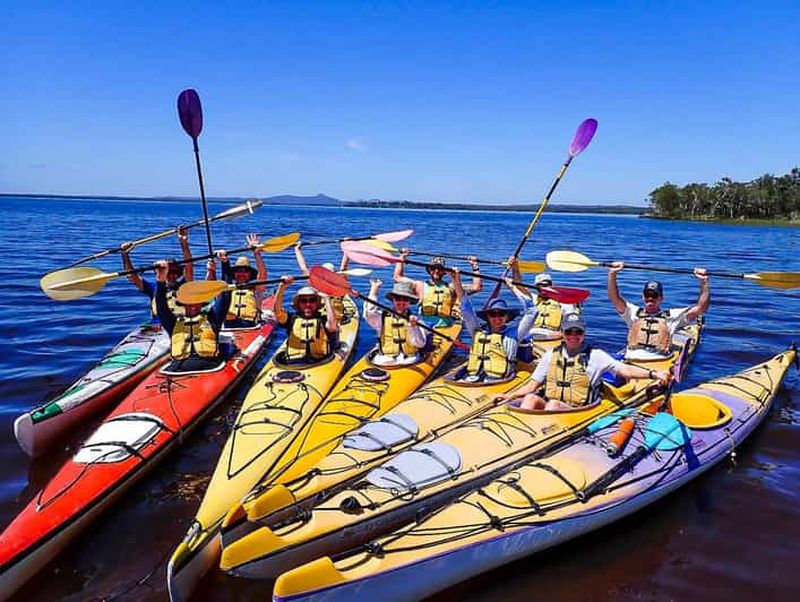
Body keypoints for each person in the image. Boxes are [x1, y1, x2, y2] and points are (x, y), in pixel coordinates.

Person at [496, 312, 671, 411]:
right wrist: (508, 396)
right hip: (549, 406)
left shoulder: (595, 355)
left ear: (583, 334)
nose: (573, 336)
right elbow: (531, 386)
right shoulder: (551, 354)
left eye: (577, 332)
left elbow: (624, 370)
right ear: (562, 334)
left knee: (553, 404)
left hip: (575, 410)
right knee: (531, 398)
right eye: (569, 332)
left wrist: (653, 373)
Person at [608, 263, 709, 361]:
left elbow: (701, 308)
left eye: (655, 295)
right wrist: (612, 274)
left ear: (661, 298)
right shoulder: (632, 313)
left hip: (660, 361)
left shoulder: (673, 316)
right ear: (643, 297)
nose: (650, 298)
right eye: (647, 295)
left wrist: (703, 282)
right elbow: (614, 298)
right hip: (631, 359)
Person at [154, 260, 231, 373]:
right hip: (177, 369)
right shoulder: (173, 323)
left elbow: (225, 296)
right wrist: (160, 281)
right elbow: (161, 305)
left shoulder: (213, 318)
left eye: (196, 302)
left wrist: (225, 263)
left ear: (201, 304)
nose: (193, 306)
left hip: (209, 367)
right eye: (189, 303)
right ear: (183, 304)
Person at [452, 269, 528, 383]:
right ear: (487, 317)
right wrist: (456, 279)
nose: (497, 318)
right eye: (492, 314)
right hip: (472, 378)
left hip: (498, 381)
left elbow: (533, 311)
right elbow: (465, 307)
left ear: (507, 317)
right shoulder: (477, 331)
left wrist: (513, 288)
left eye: (501, 314)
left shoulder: (514, 334)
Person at [120, 224, 193, 323]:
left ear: (179, 273)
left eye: (174, 272)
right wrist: (125, 255)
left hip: (181, 324)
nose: (171, 275)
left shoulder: (184, 285)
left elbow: (189, 265)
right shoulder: (152, 287)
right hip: (158, 328)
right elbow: (132, 277)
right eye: (168, 272)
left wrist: (183, 242)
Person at [394, 251, 482, 325]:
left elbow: (477, 287)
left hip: (446, 325)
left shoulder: (452, 287)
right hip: (425, 324)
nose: (436, 271)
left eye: (439, 269)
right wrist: (402, 257)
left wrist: (475, 266)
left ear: (444, 272)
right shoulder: (420, 286)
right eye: (433, 268)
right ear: (429, 271)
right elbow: (398, 277)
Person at [507, 258, 579, 341]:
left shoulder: (563, 302)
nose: (543, 288)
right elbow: (518, 285)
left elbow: (572, 321)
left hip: (553, 336)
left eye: (546, 285)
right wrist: (515, 268)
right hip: (530, 335)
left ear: (551, 285)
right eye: (539, 286)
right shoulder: (533, 299)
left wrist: (563, 333)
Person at [274, 276, 339, 364]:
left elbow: (332, 326)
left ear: (317, 303)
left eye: (312, 300)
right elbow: (277, 311)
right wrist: (282, 287)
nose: (308, 304)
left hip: (320, 361)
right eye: (303, 301)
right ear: (298, 304)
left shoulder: (322, 319)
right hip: (293, 362)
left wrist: (327, 299)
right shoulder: (291, 319)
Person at [363, 279, 428, 366]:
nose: (401, 302)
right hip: (384, 360)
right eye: (397, 299)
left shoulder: (417, 321)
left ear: (409, 302)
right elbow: (369, 313)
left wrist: (413, 327)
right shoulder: (380, 317)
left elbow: (420, 344)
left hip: (410, 360)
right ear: (393, 300)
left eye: (405, 299)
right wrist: (374, 291)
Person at [293, 241, 351, 323]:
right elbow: (304, 269)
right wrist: (297, 250)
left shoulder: (337, 287)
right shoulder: (318, 287)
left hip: (334, 323)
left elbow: (344, 268)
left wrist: (347, 246)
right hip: (322, 323)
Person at [219, 233, 267, 328]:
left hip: (250, 326)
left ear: (250, 274)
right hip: (228, 325)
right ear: (234, 274)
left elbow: (263, 274)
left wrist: (256, 253)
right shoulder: (228, 288)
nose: (241, 274)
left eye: (244, 271)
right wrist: (223, 261)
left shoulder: (255, 289)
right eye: (238, 271)